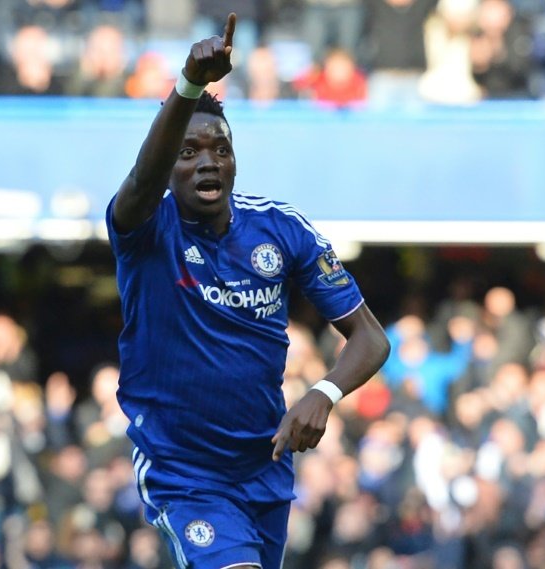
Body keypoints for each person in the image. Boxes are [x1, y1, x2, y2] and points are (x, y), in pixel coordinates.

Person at [105, 13, 390, 569]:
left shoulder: (281, 230)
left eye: (219, 149)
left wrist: (324, 393)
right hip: (183, 472)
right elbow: (141, 179)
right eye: (187, 153)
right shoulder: (145, 228)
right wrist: (188, 84)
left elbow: (370, 339)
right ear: (168, 168)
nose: (207, 160)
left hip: (265, 465)